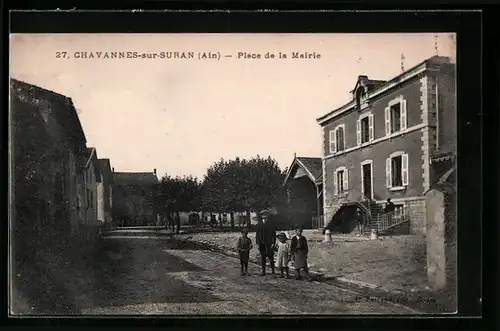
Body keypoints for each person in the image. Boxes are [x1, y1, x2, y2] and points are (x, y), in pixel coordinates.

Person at [255, 209, 277, 276]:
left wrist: (273, 243)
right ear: (261, 216)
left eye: (266, 214)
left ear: (268, 215)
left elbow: (274, 234)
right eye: (263, 215)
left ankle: (273, 271)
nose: (264, 216)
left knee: (271, 258)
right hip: (262, 243)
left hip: (269, 243)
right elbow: (257, 235)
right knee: (263, 257)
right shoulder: (259, 224)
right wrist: (258, 243)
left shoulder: (272, 224)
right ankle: (263, 271)